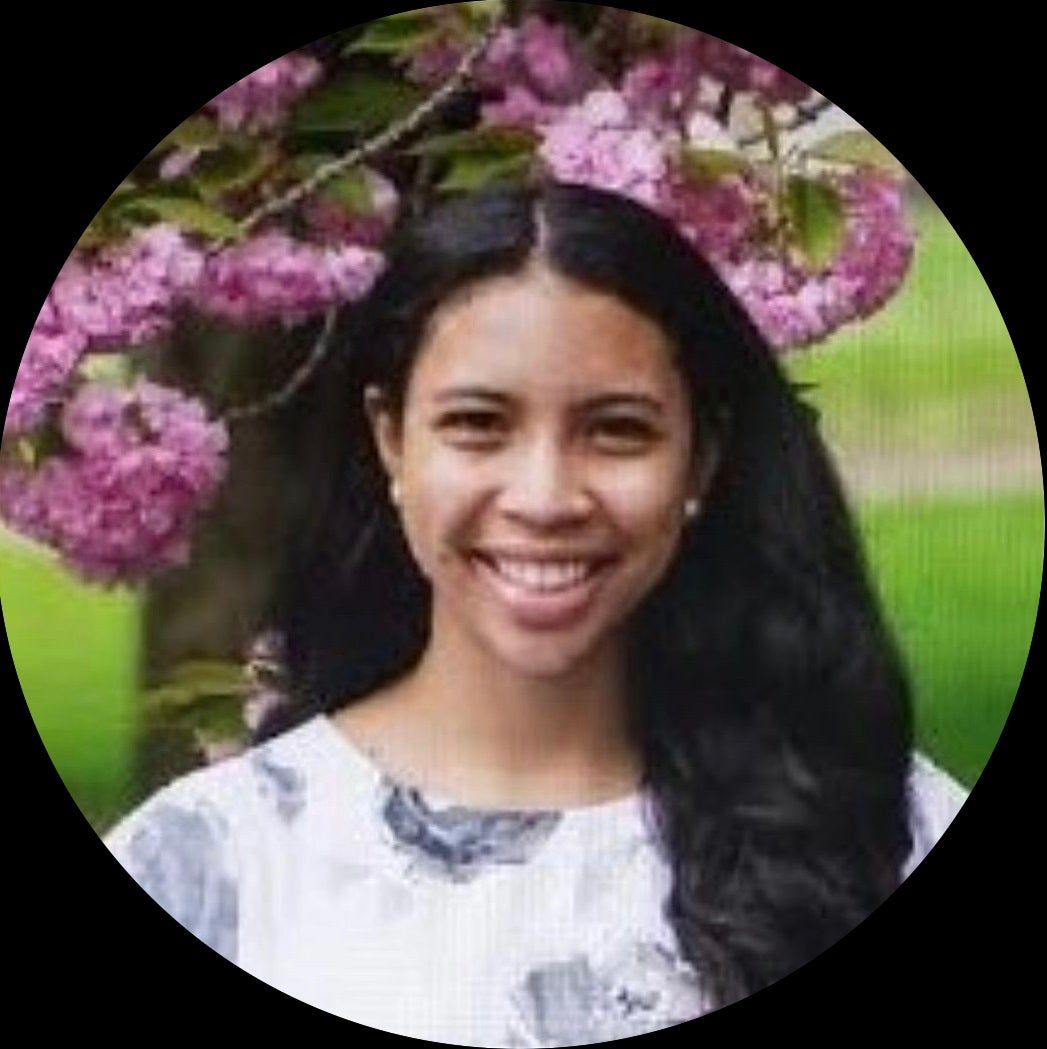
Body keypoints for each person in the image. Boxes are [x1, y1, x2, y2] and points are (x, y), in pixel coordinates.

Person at [104, 181, 967, 1045]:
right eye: (478, 423)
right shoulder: (206, 867)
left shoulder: (884, 835)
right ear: (390, 439)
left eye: (616, 429)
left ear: (700, 457)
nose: (545, 497)